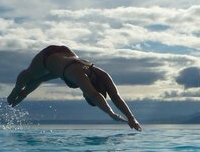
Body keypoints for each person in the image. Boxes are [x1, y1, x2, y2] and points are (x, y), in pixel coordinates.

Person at [7, 45, 142, 131]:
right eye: (85, 95)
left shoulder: (100, 74)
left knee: (41, 78)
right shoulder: (79, 75)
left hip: (66, 55)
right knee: (31, 74)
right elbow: (95, 95)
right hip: (47, 57)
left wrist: (131, 118)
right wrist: (111, 113)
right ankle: (16, 90)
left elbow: (115, 96)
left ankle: (24, 94)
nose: (84, 94)